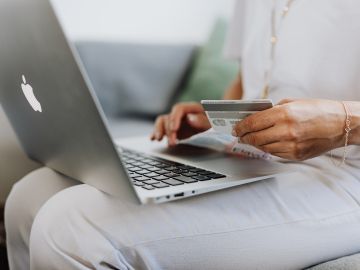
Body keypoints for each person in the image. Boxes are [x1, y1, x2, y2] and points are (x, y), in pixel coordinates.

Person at [5, 0, 360, 269]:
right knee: (28, 197)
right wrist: (220, 116)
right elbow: (247, 80)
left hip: (342, 172)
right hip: (256, 156)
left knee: (70, 227)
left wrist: (341, 120)